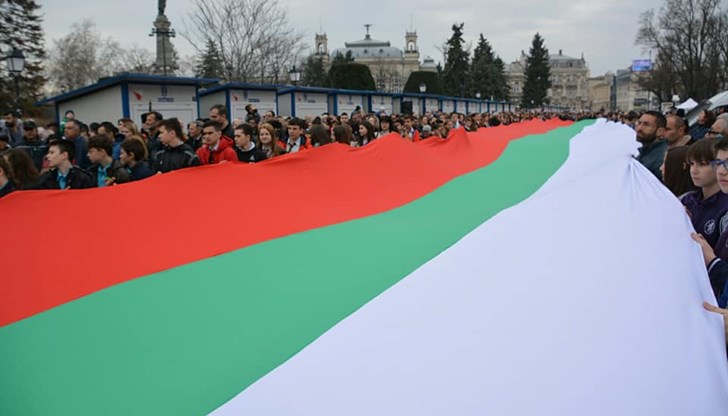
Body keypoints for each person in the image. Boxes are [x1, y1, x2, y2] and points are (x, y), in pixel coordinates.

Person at [681, 139, 728, 248]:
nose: (694, 170)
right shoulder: (687, 200)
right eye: (692, 164)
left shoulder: (725, 207)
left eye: (703, 164)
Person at [636, 111, 669, 181]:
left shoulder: (662, 157)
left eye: (646, 125)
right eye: (639, 123)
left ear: (660, 131)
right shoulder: (643, 151)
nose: (639, 128)